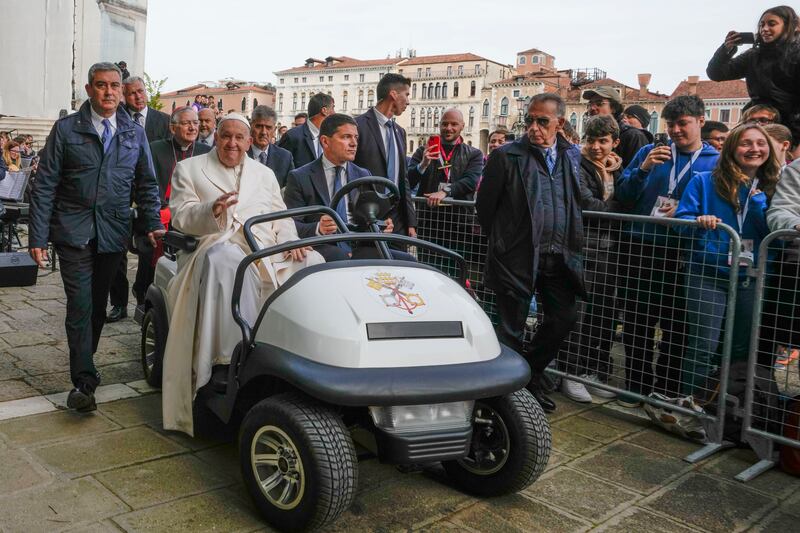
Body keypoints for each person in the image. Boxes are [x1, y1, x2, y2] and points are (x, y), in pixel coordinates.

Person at [162, 113, 323, 435]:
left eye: (239, 138)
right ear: (216, 137)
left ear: (250, 142)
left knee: (313, 261)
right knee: (227, 261)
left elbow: (282, 216)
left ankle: (306, 351)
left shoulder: (264, 174)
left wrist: (290, 241)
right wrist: (212, 211)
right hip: (213, 243)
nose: (232, 143)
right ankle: (228, 360)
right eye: (226, 136)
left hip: (264, 246)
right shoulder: (189, 169)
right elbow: (180, 215)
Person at [28, 62, 163, 412]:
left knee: (98, 307)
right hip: (72, 232)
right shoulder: (66, 129)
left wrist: (152, 223)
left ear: (122, 90)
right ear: (89, 90)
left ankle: (86, 360)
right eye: (101, 85)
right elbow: (44, 186)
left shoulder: (134, 133)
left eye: (114, 86)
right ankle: (84, 382)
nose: (108, 92)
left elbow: (147, 183)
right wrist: (38, 237)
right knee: (81, 305)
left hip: (112, 233)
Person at [476, 93, 585, 413]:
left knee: (564, 318)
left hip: (559, 255)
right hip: (517, 255)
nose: (534, 128)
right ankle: (510, 397)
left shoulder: (570, 156)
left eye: (543, 122)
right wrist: (503, 241)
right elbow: (485, 208)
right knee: (511, 327)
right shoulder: (507, 156)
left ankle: (531, 372)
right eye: (530, 121)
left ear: (559, 124)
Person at [615, 95, 719, 403]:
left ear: (700, 121)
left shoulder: (715, 161)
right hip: (642, 247)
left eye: (683, 124)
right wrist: (643, 169)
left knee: (677, 325)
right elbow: (624, 194)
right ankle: (636, 386)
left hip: (683, 252)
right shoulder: (650, 152)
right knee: (638, 322)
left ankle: (667, 389)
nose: (675, 130)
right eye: (671, 124)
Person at [675, 123, 780, 394]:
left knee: (740, 349)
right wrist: (698, 220)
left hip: (751, 276)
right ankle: (692, 406)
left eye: (760, 143)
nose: (754, 149)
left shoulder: (776, 186)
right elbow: (679, 220)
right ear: (733, 147)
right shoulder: (703, 179)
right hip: (707, 273)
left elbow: (775, 234)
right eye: (746, 143)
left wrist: (757, 205)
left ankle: (727, 411)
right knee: (703, 346)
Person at [284, 112, 411, 263]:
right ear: (325, 141)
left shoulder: (363, 174)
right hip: (323, 247)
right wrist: (318, 227)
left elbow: (368, 219)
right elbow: (289, 225)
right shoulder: (300, 177)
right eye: (346, 137)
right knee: (340, 257)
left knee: (409, 260)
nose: (354, 143)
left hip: (359, 247)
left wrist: (381, 225)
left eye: (356, 137)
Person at [560, 115, 623, 403]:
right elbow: (587, 204)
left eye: (603, 141)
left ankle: (592, 372)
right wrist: (620, 207)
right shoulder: (577, 165)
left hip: (608, 249)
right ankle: (570, 373)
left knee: (603, 313)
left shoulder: (615, 168)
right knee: (579, 313)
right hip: (583, 245)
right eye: (591, 141)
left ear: (614, 143)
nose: (596, 147)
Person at [106, 75, 173, 323]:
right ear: (124, 95)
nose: (138, 96)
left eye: (141, 91)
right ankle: (119, 303)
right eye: (132, 92)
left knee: (149, 251)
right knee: (118, 252)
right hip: (122, 197)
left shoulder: (163, 121)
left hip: (151, 198)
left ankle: (146, 300)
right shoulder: (116, 119)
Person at [132, 106, 211, 308]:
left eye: (195, 123)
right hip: (159, 213)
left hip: (192, 215)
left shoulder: (206, 152)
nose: (193, 127)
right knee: (150, 258)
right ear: (173, 127)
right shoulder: (156, 148)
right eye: (186, 123)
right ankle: (145, 299)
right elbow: (146, 182)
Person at [707, 6, 800, 155]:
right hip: (755, 121)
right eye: (762, 24)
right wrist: (726, 49)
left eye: (772, 23)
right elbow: (716, 73)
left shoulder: (797, 54)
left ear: (788, 26)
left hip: (791, 127)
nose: (765, 28)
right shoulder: (754, 55)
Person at [354, 73, 417, 241]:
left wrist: (410, 221)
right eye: (407, 95)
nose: (408, 101)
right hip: (369, 216)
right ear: (393, 94)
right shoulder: (358, 126)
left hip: (398, 220)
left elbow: (403, 179)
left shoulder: (400, 132)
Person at [409, 108, 483, 205]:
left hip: (458, 215)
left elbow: (471, 181)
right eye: (444, 124)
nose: (448, 128)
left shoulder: (474, 154)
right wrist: (423, 165)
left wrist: (445, 191)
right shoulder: (422, 151)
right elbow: (409, 181)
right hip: (427, 213)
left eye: (454, 124)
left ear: (462, 126)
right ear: (439, 125)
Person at [582, 86, 651, 167]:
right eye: (590, 104)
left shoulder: (634, 136)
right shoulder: (588, 136)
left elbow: (637, 175)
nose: (592, 108)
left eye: (599, 103)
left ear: (614, 108)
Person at [278, 94, 335, 168]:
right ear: (324, 110)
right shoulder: (292, 136)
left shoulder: (330, 137)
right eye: (333, 108)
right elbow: (280, 168)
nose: (334, 113)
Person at [247, 105, 294, 187]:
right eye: (259, 126)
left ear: (274, 130)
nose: (263, 132)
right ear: (251, 126)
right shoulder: (240, 153)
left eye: (268, 128)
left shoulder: (285, 157)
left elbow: (290, 191)